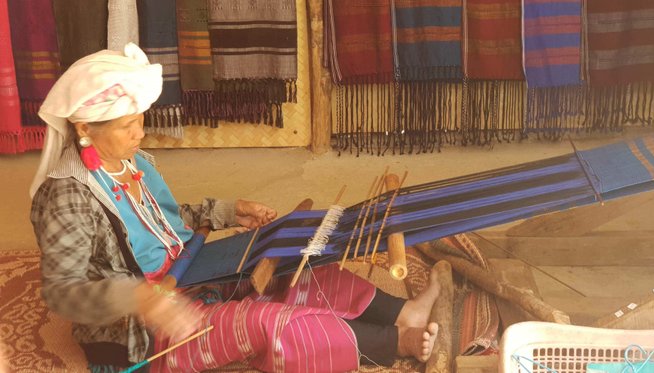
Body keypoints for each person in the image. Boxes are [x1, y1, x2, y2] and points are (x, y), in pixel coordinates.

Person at [29, 43, 439, 373]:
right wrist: (138, 298)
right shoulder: (66, 196)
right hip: (148, 325)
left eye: (139, 119)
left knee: (295, 264)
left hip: (192, 269)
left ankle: (403, 311)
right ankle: (393, 343)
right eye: (126, 126)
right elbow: (63, 292)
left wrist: (227, 211)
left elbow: (161, 223)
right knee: (261, 320)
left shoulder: (129, 161)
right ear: (84, 128)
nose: (139, 132)